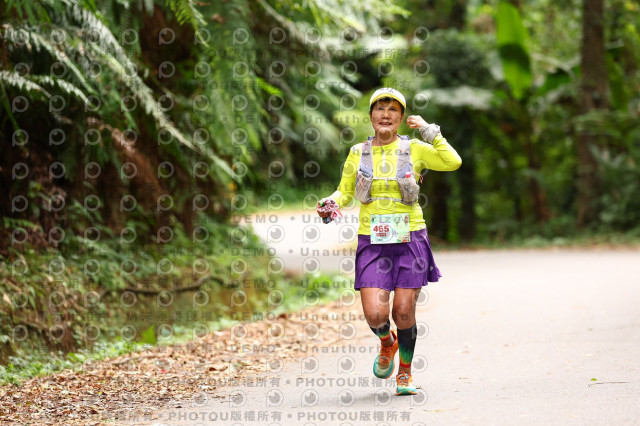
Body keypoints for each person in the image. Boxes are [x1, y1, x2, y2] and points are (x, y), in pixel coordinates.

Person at [317, 88, 461, 395]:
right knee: (375, 314)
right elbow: (345, 192)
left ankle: (405, 374)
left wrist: (429, 130)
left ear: (401, 117)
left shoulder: (415, 149)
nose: (386, 115)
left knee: (404, 312)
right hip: (372, 240)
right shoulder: (358, 152)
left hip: (411, 237)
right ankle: (387, 342)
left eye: (393, 110)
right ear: (371, 116)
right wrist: (331, 202)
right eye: (380, 109)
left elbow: (453, 162)